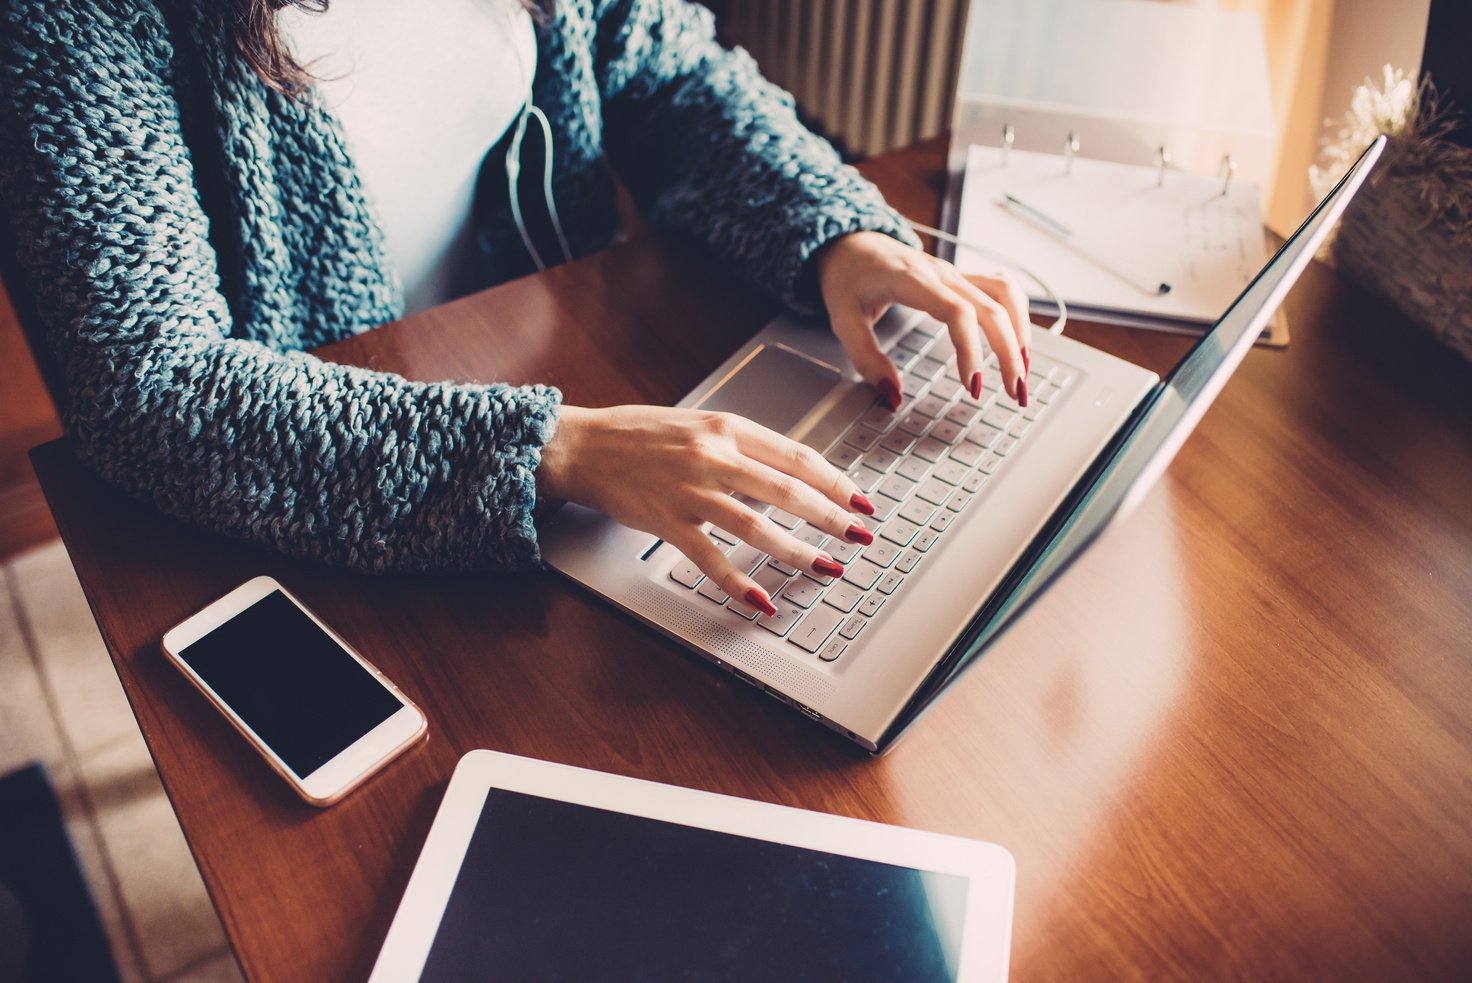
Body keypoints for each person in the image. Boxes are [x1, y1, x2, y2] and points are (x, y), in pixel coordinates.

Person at [0, 0, 1030, 617]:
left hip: (574, 388)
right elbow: (152, 382)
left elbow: (669, 73)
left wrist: (836, 231)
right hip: (310, 476)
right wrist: (554, 452)